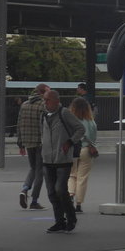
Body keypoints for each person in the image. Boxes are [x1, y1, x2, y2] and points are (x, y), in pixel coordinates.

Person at [40, 89, 85, 233]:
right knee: (51, 192)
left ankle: (71, 217)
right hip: (47, 159)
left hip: (62, 159)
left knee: (60, 189)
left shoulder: (64, 113)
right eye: (44, 99)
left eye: (48, 100)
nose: (45, 102)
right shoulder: (43, 114)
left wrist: (70, 142)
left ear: (56, 101)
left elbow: (80, 129)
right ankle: (59, 221)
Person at [15, 83, 49, 210]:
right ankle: (34, 200)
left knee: (33, 167)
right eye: (48, 92)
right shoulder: (43, 105)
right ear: (42, 92)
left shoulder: (24, 105)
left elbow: (19, 124)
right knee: (40, 171)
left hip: (28, 141)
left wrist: (20, 143)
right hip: (41, 142)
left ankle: (24, 189)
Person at [67, 96, 98, 214]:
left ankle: (70, 194)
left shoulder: (70, 120)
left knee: (71, 175)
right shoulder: (91, 122)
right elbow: (94, 138)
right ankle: (78, 204)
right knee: (82, 178)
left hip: (72, 149)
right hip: (86, 150)